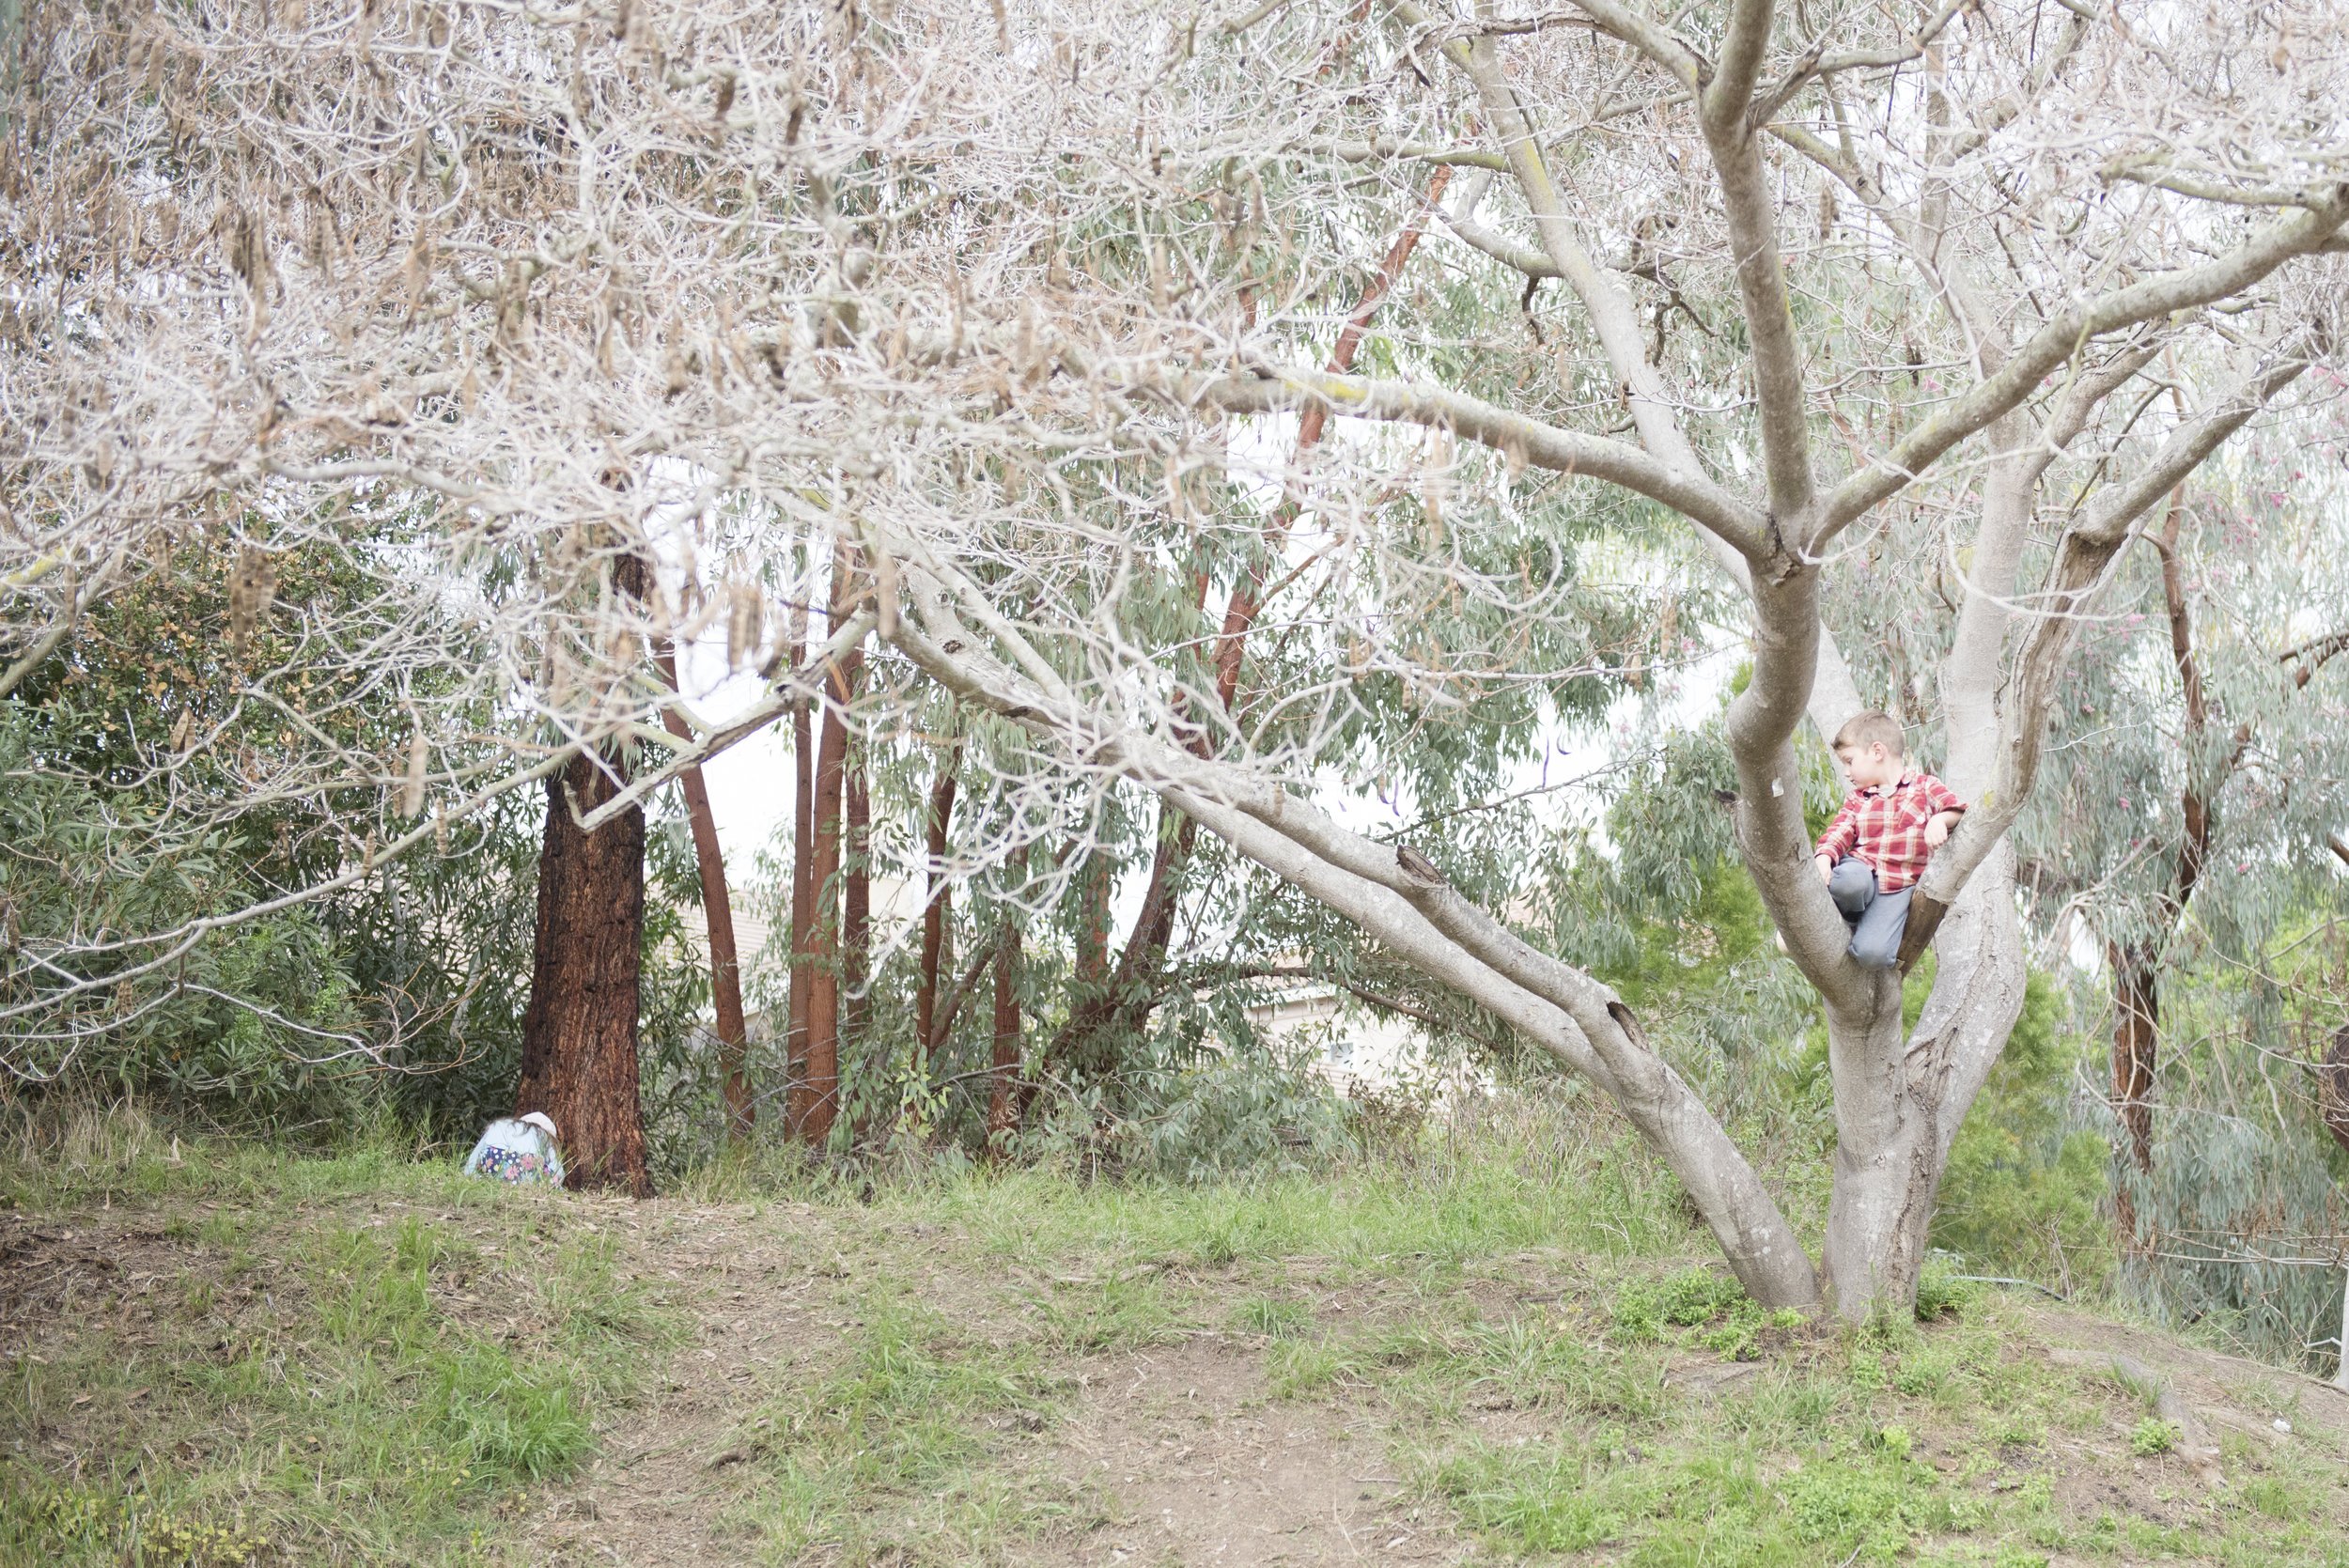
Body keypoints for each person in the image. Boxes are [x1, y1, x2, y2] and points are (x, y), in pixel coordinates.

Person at [1811, 712, 1965, 970]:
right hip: (1861, 870)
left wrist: (1939, 821)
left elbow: (1959, 809)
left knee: (1874, 955)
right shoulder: (1859, 798)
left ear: (1877, 752)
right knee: (1848, 884)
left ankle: (1862, 930)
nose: (1847, 773)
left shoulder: (1924, 786)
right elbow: (1839, 831)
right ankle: (1837, 919)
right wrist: (1824, 858)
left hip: (1897, 888)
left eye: (1849, 761)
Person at [461, 1110, 567, 1186]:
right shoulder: (543, 1134)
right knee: (542, 1173)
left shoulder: (500, 1124)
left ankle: (490, 1182)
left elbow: (472, 1161)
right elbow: (558, 1171)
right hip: (525, 1163)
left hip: (493, 1158)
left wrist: (469, 1175)